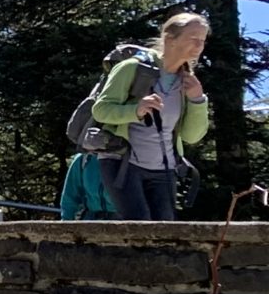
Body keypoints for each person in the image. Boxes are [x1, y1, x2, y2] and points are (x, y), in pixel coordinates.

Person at [88, 12, 211, 220]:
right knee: (140, 225)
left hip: (164, 169)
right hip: (122, 163)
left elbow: (192, 136)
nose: (199, 46)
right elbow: (101, 110)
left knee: (165, 232)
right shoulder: (132, 68)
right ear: (169, 38)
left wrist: (197, 100)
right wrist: (135, 110)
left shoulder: (188, 82)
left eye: (203, 40)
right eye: (194, 38)